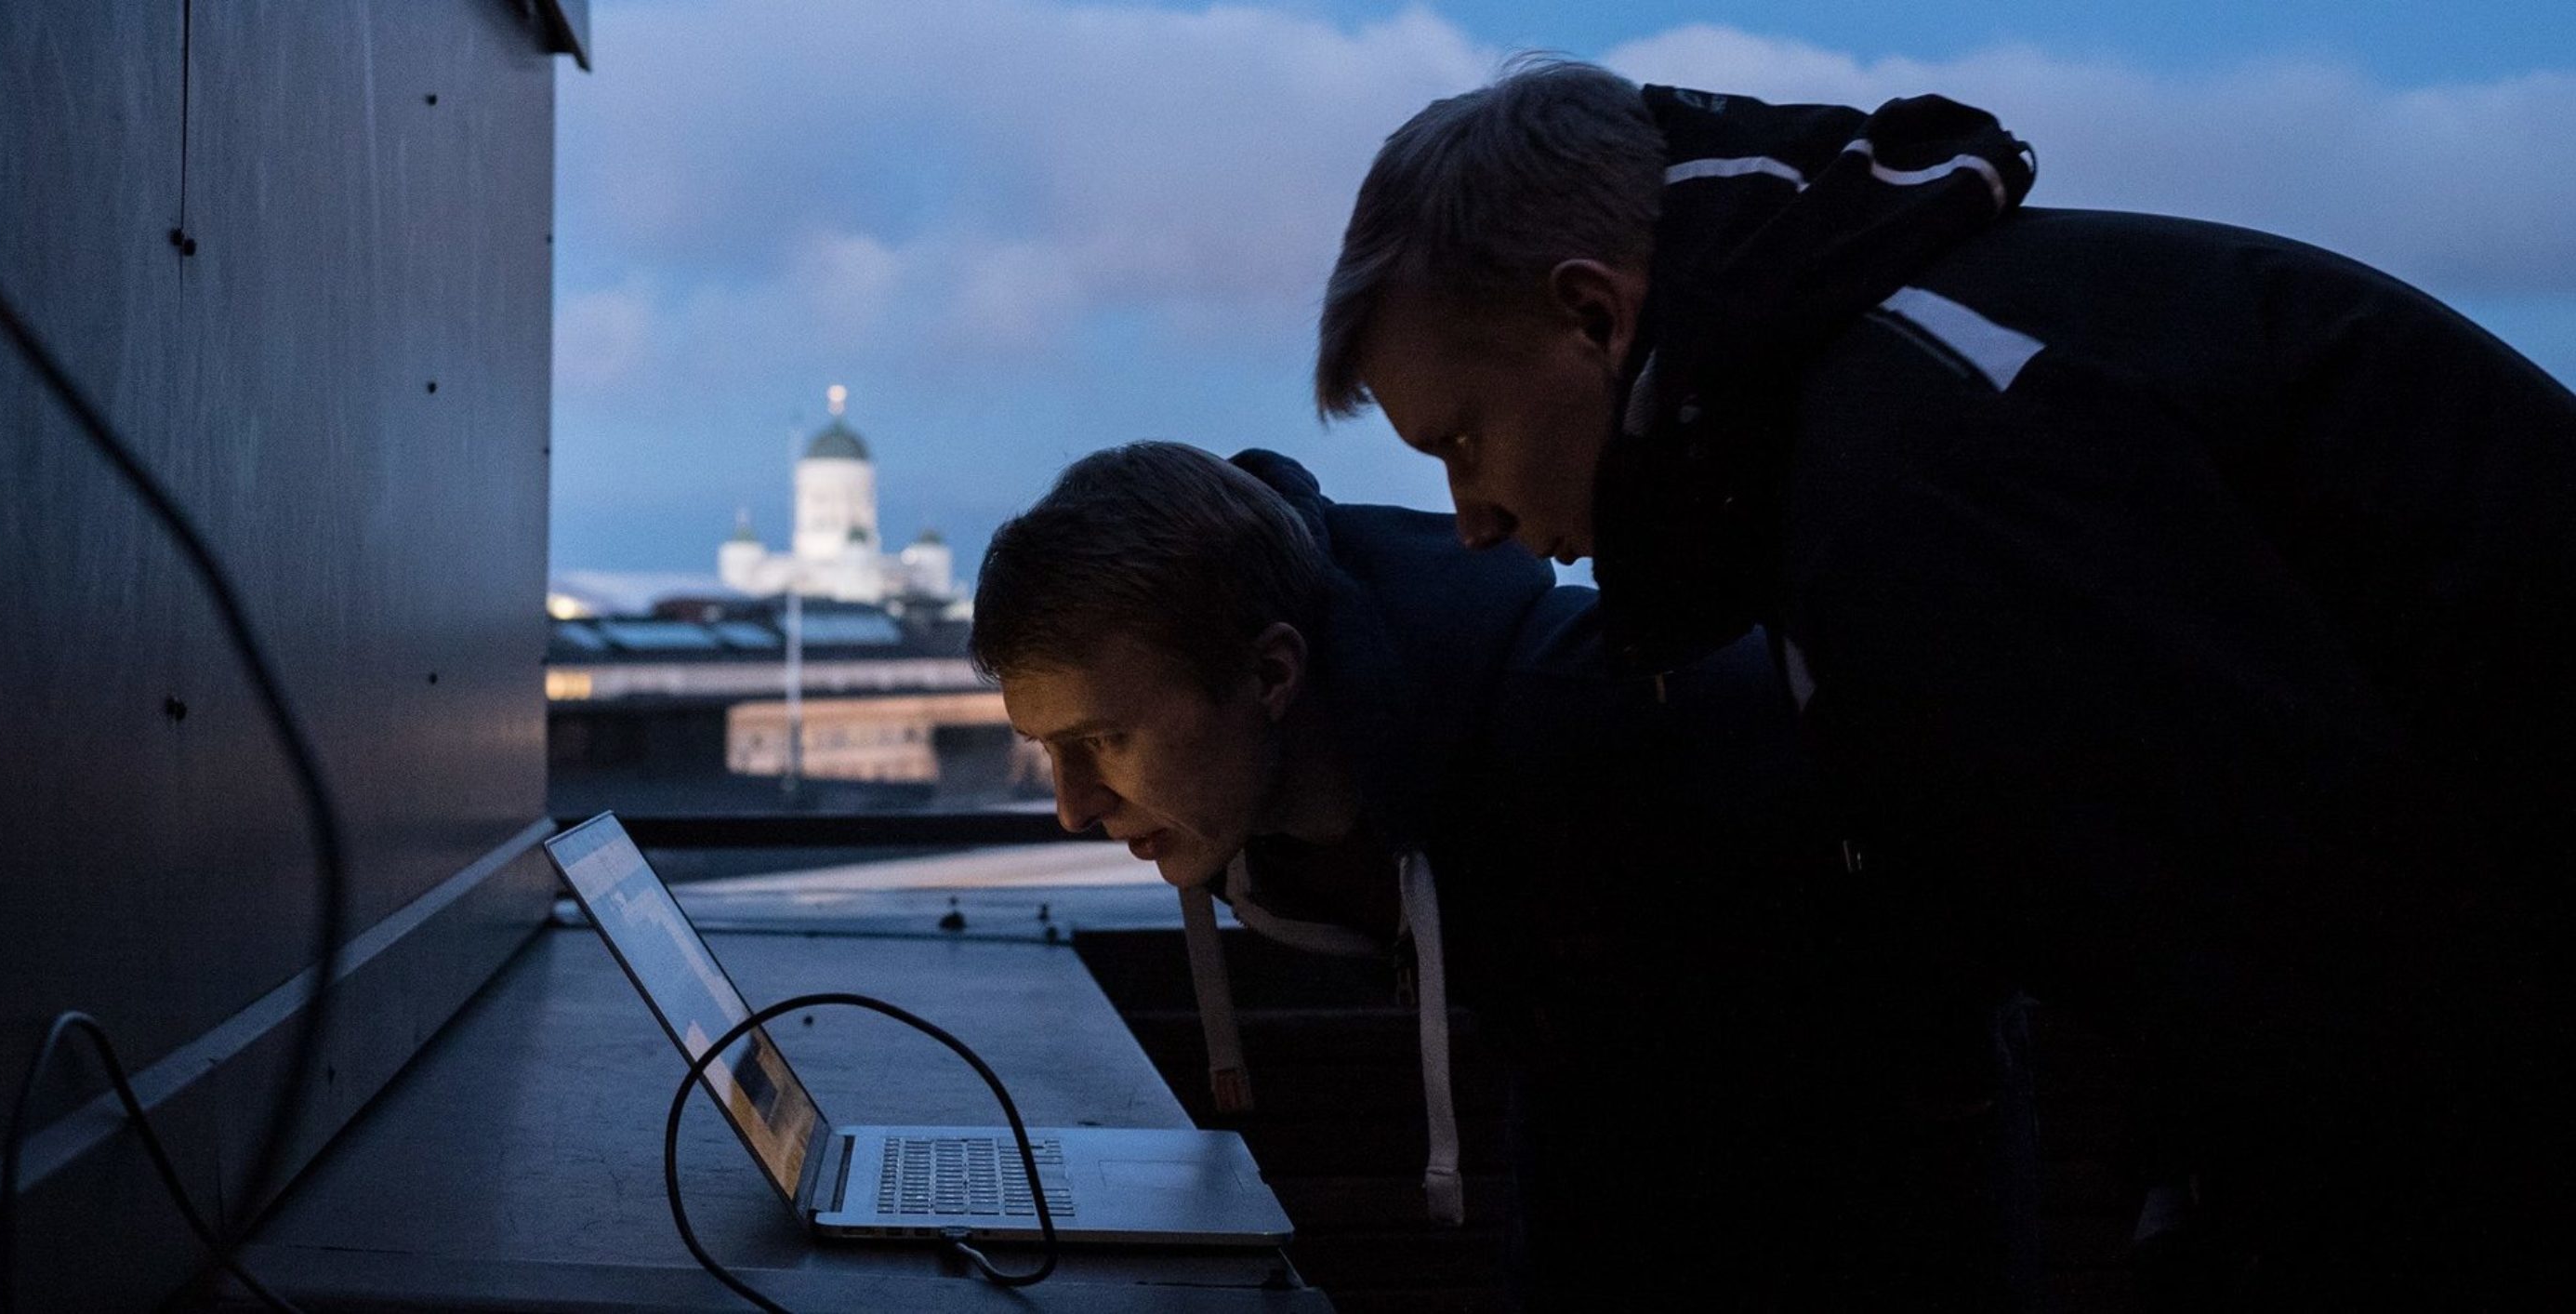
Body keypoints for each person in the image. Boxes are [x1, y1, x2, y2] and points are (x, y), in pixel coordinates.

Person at [1315, 58, 2576, 1307]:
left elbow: (2328, 981)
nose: (1467, 519)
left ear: (1594, 316)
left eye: (1462, 437)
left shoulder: (1913, 470)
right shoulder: (1866, 416)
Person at [971, 442, 2038, 1307]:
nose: (1072, 806)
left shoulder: (1616, 721)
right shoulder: (1299, 814)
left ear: (1271, 673)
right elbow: (1583, 1108)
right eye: (1050, 752)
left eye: (1104, 740)